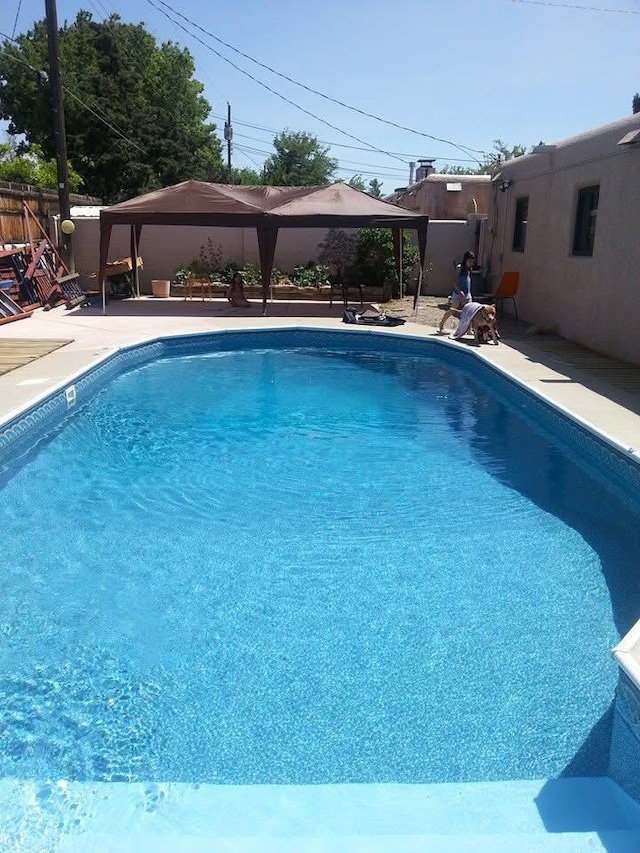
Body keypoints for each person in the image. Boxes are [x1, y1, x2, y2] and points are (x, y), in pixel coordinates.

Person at [438, 251, 475, 334]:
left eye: (472, 262)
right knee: (453, 310)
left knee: (469, 312)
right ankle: (441, 323)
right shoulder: (459, 267)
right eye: (470, 261)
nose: (471, 263)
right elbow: (453, 281)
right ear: (465, 260)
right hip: (457, 293)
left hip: (467, 294)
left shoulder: (468, 269)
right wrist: (459, 292)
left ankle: (469, 330)